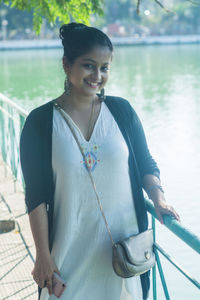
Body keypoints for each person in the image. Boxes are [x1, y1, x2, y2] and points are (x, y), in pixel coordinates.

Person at [20, 23, 180, 300]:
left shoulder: (122, 112)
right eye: (88, 65)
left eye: (105, 67)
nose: (97, 75)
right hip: (67, 258)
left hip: (123, 257)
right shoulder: (40, 122)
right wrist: (42, 256)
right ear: (67, 64)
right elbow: (35, 197)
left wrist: (158, 198)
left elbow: (146, 164)